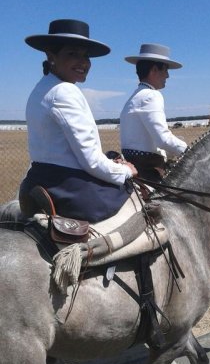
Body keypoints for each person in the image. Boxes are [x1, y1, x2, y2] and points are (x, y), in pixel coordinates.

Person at [19, 19, 137, 223]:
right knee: (140, 207)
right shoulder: (65, 91)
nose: (83, 62)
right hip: (69, 189)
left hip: (38, 180)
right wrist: (125, 170)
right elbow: (90, 161)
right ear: (51, 55)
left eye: (86, 56)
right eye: (73, 54)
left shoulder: (40, 89)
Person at [120, 43, 188, 182]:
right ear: (154, 70)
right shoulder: (151, 95)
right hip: (149, 169)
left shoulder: (134, 97)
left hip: (132, 163)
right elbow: (163, 140)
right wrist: (192, 151)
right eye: (165, 70)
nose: (167, 76)